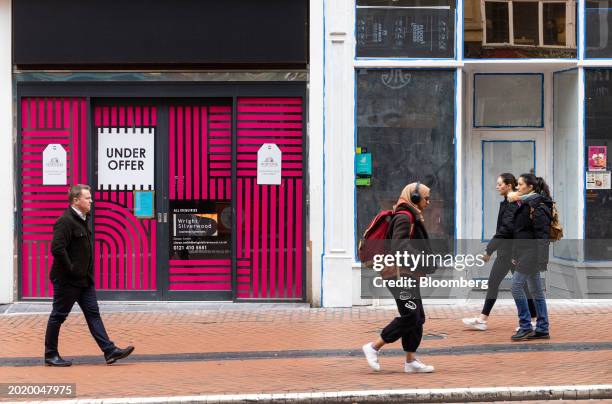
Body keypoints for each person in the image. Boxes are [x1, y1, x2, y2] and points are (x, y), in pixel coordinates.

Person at [44, 184, 135, 366]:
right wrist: (71, 269)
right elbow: (57, 248)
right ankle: (50, 355)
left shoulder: (83, 218)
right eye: (87, 198)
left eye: (90, 197)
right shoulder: (65, 221)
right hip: (67, 280)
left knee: (93, 314)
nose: (91, 201)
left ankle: (109, 351)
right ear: (76, 200)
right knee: (58, 316)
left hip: (85, 280)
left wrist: (84, 272)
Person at [362, 182, 436, 373]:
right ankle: (373, 347)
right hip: (398, 275)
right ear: (414, 197)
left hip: (408, 274)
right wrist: (423, 259)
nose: (428, 202)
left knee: (417, 316)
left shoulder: (411, 215)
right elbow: (399, 247)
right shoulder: (404, 216)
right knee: (411, 315)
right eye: (426, 198)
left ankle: (410, 361)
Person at [462, 173, 537, 331]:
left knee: (520, 286)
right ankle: (483, 319)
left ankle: (534, 319)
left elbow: (506, 229)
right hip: (505, 252)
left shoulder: (512, 204)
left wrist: (489, 249)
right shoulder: (507, 203)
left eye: (500, 184)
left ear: (509, 186)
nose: (497, 187)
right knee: (495, 283)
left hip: (512, 253)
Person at [507, 174, 553, 341]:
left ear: (530, 187)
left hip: (532, 253)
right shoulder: (524, 204)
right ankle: (542, 328)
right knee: (536, 291)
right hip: (524, 252)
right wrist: (515, 254)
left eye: (520, 184)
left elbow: (542, 236)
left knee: (516, 287)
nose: (517, 188)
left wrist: (541, 260)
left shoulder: (538, 206)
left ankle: (525, 326)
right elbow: (519, 232)